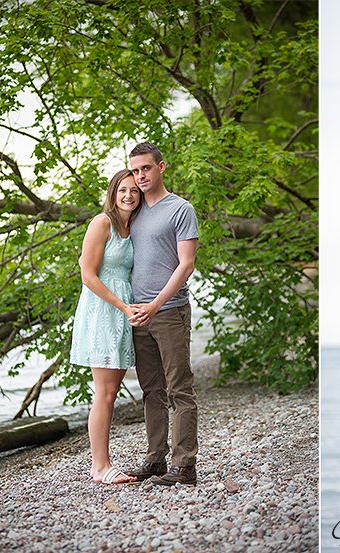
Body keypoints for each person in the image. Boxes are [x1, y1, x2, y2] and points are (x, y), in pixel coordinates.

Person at [122, 142, 201, 487]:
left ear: (161, 167)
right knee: (151, 390)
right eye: (135, 170)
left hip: (169, 312)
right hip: (139, 315)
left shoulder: (180, 209)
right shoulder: (134, 212)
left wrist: (155, 304)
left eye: (146, 169)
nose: (140, 176)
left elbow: (187, 264)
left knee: (179, 390)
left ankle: (184, 467)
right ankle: (155, 460)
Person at [70, 168, 142, 485]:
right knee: (105, 392)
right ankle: (100, 466)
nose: (128, 195)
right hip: (103, 311)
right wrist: (122, 306)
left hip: (123, 311)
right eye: (122, 190)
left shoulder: (133, 228)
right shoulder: (102, 223)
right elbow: (88, 275)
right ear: (113, 193)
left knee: (112, 391)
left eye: (134, 191)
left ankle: (103, 463)